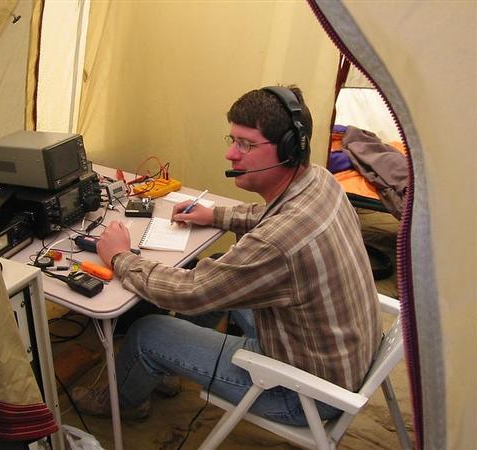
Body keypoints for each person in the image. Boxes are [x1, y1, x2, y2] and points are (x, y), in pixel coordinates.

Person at [72, 86, 381, 425]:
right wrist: (215, 215)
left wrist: (119, 257)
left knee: (148, 332)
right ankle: (165, 366)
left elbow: (190, 292)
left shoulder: (278, 243)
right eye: (232, 140)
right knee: (223, 273)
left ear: (289, 150)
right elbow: (273, 217)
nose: (231, 155)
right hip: (343, 357)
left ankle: (125, 402)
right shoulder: (320, 180)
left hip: (304, 393)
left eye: (246, 144)